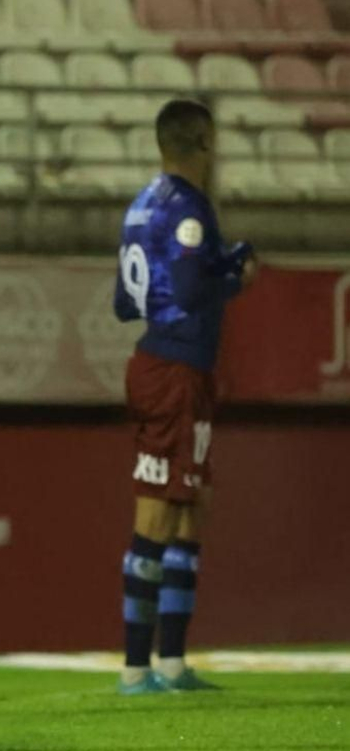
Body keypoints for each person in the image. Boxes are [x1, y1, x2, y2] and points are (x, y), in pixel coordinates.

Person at [112, 99, 254, 695]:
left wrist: (216, 263)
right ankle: (135, 668)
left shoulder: (142, 205)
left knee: (192, 505)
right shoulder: (189, 207)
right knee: (158, 510)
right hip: (174, 369)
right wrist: (234, 276)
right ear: (203, 142)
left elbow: (123, 302)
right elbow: (193, 290)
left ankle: (171, 662)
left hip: (170, 364)